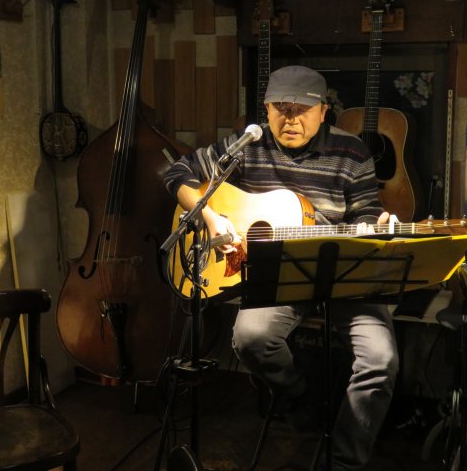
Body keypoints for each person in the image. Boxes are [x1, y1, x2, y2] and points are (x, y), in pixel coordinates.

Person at [164, 65, 398, 470]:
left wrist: (373, 226)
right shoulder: (247, 144)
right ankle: (300, 398)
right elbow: (177, 172)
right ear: (267, 110)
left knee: (380, 360)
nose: (290, 120)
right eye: (280, 109)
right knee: (251, 339)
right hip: (277, 273)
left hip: (342, 272)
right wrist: (210, 218)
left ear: (322, 112)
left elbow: (365, 212)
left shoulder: (352, 152)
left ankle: (343, 460)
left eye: (301, 110)